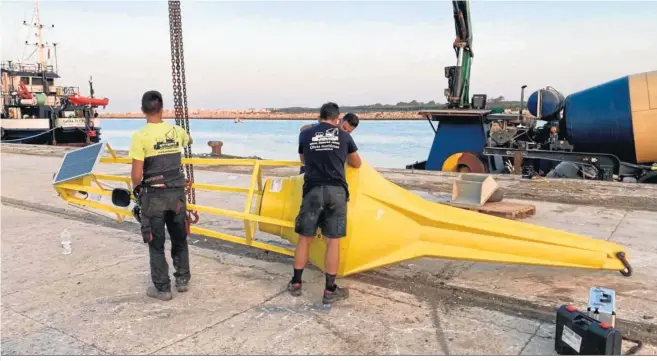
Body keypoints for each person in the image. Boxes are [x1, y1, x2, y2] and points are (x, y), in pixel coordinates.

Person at [288, 102, 362, 304]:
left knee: (305, 238)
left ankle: (296, 283)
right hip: (336, 192)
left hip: (312, 190)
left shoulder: (306, 134)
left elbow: (303, 159)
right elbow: (357, 163)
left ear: (319, 116)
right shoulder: (345, 136)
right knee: (333, 242)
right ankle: (330, 290)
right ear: (338, 119)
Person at [128, 90, 194, 301]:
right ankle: (182, 279)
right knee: (179, 237)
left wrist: (139, 187)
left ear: (143, 110)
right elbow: (189, 140)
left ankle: (163, 288)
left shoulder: (140, 137)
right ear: (162, 108)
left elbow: (137, 176)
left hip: (153, 197)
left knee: (156, 243)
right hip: (176, 195)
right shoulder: (176, 131)